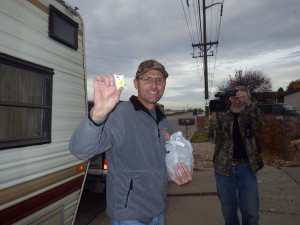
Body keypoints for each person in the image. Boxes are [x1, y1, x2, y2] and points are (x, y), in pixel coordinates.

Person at [69, 59, 193, 225]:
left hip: (157, 210)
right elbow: (81, 150)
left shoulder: (163, 120)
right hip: (129, 215)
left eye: (159, 80)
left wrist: (178, 173)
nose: (154, 85)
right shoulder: (120, 114)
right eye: (147, 79)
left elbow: (164, 160)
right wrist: (97, 115)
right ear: (136, 83)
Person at [208, 86, 266, 225]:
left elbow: (262, 123)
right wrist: (214, 114)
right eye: (234, 97)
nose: (237, 101)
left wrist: (249, 103)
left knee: (251, 212)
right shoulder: (222, 114)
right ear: (229, 99)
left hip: (246, 167)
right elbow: (213, 138)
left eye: (240, 97)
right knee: (229, 213)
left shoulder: (250, 113)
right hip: (224, 169)